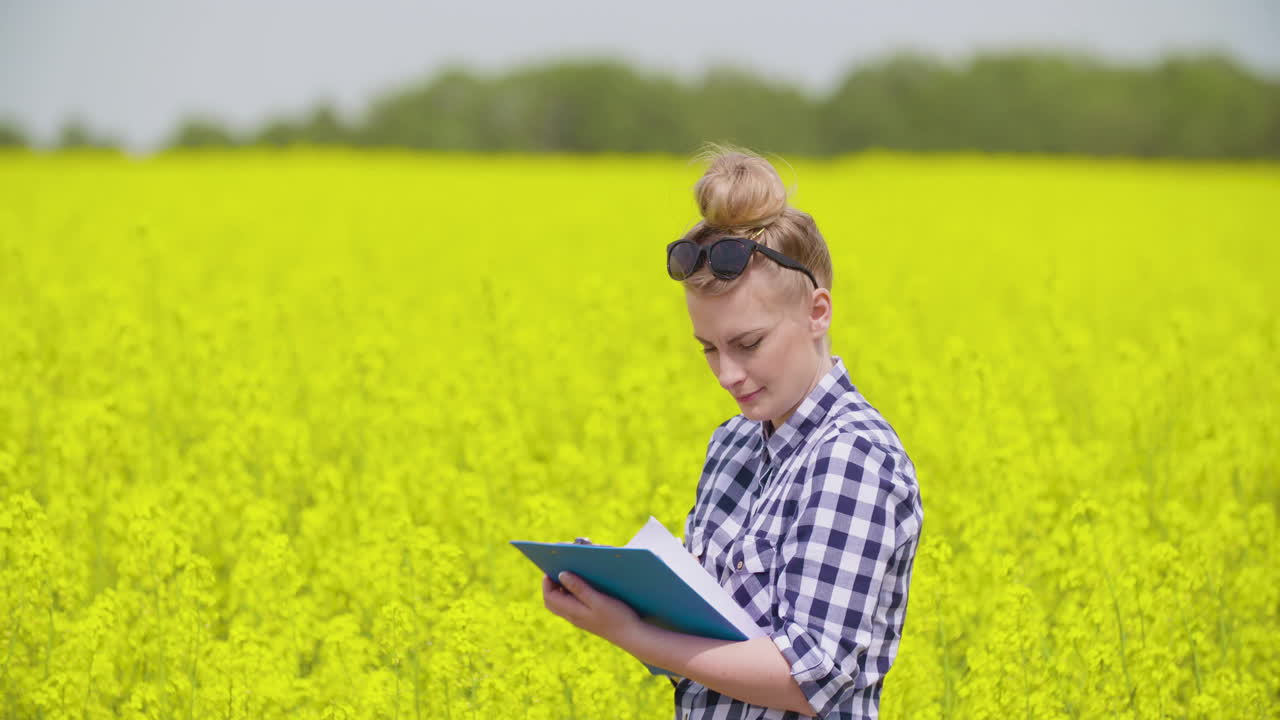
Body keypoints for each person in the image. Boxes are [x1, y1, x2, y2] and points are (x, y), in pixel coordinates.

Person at [541, 144, 924, 719]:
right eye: (710, 350)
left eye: (748, 344)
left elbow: (808, 678)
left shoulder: (854, 457)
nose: (728, 374)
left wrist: (631, 634)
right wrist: (623, 599)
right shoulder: (733, 444)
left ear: (818, 312)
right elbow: (707, 638)